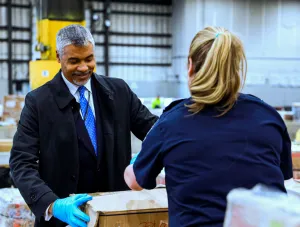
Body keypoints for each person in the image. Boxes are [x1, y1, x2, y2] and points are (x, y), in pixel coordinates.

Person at [124, 26, 293, 227]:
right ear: (236, 68)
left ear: (190, 66)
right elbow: (280, 180)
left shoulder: (170, 122)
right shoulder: (268, 117)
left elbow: (136, 181)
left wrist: (135, 164)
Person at [9, 24, 158, 227]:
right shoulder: (39, 102)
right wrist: (52, 204)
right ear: (58, 57)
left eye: (89, 59)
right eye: (74, 61)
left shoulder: (119, 92)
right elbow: (21, 163)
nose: (83, 67)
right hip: (63, 221)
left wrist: (152, 152)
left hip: (115, 216)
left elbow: (153, 129)